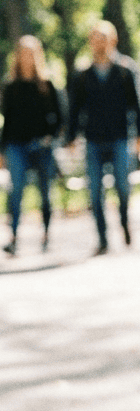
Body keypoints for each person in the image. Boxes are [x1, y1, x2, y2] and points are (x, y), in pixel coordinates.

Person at [65, 20, 140, 255]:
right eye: (95, 38)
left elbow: (137, 105)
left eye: (104, 38)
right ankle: (102, 238)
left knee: (123, 187)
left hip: (120, 137)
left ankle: (124, 222)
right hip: (93, 139)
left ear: (113, 40)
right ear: (90, 42)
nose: (99, 43)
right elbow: (75, 109)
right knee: (95, 191)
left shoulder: (125, 70)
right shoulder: (83, 74)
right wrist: (71, 137)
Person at [1, 35, 63, 255]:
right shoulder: (10, 87)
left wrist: (50, 137)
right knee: (15, 190)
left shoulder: (47, 85)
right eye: (22, 52)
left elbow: (59, 117)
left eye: (30, 52)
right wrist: (2, 151)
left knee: (45, 193)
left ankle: (46, 234)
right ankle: (14, 236)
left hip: (42, 147)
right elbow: (6, 121)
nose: (26, 57)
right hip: (16, 145)